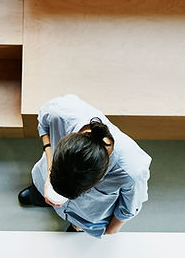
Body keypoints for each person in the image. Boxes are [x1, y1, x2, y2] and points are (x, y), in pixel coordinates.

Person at [18, 94, 151, 238]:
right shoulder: (60, 113)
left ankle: (77, 225)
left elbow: (128, 209)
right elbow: (43, 123)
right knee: (38, 194)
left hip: (86, 216)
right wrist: (49, 170)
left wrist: (109, 231)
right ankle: (39, 193)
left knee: (75, 234)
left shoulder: (132, 171)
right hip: (44, 180)